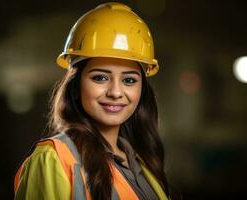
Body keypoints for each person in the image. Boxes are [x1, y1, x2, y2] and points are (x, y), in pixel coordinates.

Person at [14, 2, 174, 200]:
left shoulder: (141, 163)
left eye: (129, 80)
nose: (116, 92)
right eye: (100, 77)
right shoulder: (54, 159)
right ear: (76, 85)